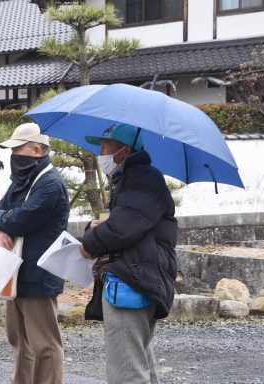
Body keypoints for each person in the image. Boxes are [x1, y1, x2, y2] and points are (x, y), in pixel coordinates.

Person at [79, 123, 177, 384]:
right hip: (136, 277)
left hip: (131, 280)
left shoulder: (143, 178)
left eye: (106, 146)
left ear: (124, 150)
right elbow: (121, 223)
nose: (100, 153)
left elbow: (122, 229)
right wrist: (95, 226)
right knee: (140, 361)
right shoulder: (132, 179)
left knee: (128, 371)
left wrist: (90, 240)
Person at [0, 123, 70, 384]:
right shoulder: (23, 181)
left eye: (17, 150)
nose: (14, 157)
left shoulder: (51, 185)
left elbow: (21, 220)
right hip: (17, 272)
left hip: (39, 274)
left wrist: (2, 222)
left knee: (44, 344)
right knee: (19, 339)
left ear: (37, 150)